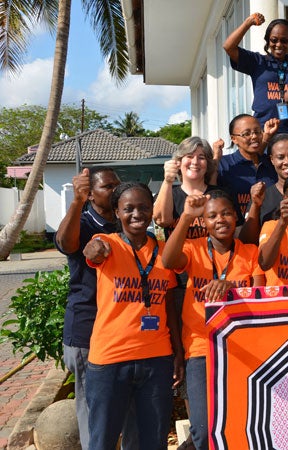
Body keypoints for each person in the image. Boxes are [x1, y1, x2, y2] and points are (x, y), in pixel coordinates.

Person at [82, 182, 183, 450]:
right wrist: (94, 250)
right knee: (102, 440)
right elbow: (91, 252)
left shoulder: (165, 252)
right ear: (116, 212)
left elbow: (169, 306)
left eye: (143, 207)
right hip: (110, 361)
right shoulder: (107, 244)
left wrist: (178, 353)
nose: (137, 214)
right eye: (128, 209)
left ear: (152, 211)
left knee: (153, 441)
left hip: (156, 359)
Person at [162, 190, 263, 450]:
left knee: (241, 421)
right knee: (204, 427)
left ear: (236, 217)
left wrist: (231, 287)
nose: (221, 219)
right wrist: (185, 217)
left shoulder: (250, 252)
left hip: (240, 349)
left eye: (227, 213)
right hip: (200, 349)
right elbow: (168, 260)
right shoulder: (193, 249)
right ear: (204, 222)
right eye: (212, 216)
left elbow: (260, 296)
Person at [55, 168, 140, 450]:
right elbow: (66, 244)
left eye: (118, 184)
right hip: (87, 329)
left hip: (123, 332)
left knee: (129, 406)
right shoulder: (82, 222)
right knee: (93, 409)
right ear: (90, 193)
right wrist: (76, 202)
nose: (115, 189)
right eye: (108, 186)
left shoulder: (123, 223)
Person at [223, 13, 288, 134]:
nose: (278, 45)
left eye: (284, 40)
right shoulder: (258, 62)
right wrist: (248, 23)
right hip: (263, 131)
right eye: (274, 40)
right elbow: (228, 47)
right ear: (267, 40)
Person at [154, 137, 225, 239]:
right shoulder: (168, 194)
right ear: (178, 162)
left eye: (201, 157)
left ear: (207, 164)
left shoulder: (222, 195)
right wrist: (168, 181)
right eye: (189, 156)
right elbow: (162, 221)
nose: (195, 162)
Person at [239, 133, 288, 243]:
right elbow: (247, 241)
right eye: (280, 157)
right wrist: (255, 205)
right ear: (272, 160)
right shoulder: (262, 196)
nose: (287, 161)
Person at [214, 114, 277, 221]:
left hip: (271, 229)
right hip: (238, 231)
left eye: (257, 132)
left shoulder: (272, 163)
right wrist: (215, 158)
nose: (254, 136)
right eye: (246, 134)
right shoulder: (224, 165)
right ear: (234, 139)